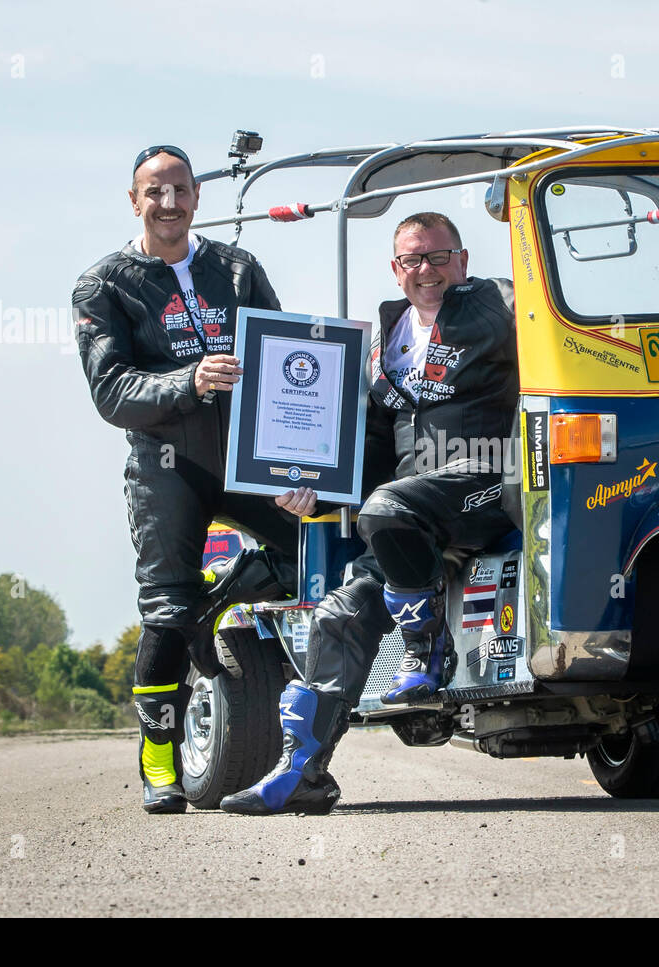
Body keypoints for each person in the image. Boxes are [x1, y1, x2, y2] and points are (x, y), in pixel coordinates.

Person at [220, 211, 519, 816]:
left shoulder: (504, 307)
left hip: (490, 482)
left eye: (438, 257)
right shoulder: (386, 338)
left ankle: (423, 655)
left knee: (385, 509)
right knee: (338, 615)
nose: (426, 271)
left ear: (462, 260)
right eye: (413, 259)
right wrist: (318, 490)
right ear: (395, 268)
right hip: (406, 510)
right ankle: (302, 773)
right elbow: (374, 447)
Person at [73, 144, 313, 815]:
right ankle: (158, 756)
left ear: (197, 197)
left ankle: (220, 600)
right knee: (167, 610)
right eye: (155, 192)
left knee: (316, 558)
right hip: (165, 467)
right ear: (134, 201)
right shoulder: (103, 284)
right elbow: (112, 390)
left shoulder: (236, 270)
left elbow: (289, 361)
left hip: (249, 461)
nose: (169, 202)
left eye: (180, 189)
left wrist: (303, 463)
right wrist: (190, 378)